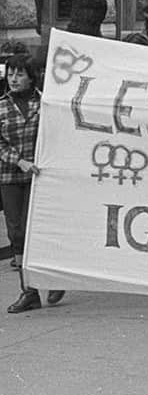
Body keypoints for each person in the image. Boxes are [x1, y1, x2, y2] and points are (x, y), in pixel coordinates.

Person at [0, 54, 65, 313]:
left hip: (43, 175)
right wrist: (19, 161)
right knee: (17, 232)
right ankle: (29, 290)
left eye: (19, 74)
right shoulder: (2, 107)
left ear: (31, 76)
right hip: (11, 177)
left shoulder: (46, 104)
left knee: (42, 230)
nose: (14, 79)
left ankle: (56, 278)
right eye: (10, 74)